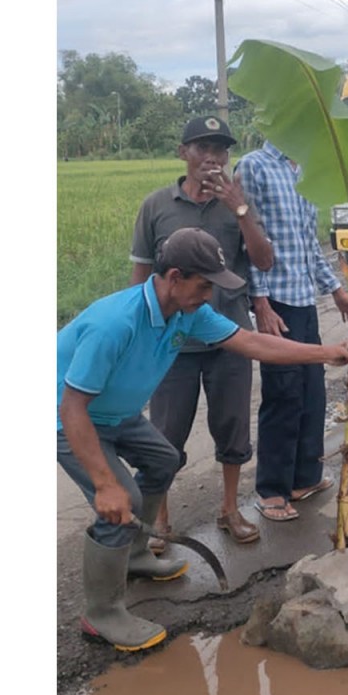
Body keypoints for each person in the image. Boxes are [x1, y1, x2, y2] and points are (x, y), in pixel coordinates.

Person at [58, 228, 348, 651]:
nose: (209, 295)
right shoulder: (115, 323)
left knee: (162, 459)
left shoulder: (187, 313)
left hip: (115, 414)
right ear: (174, 276)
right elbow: (72, 408)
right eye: (204, 285)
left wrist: (325, 353)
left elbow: (251, 342)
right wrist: (105, 485)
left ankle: (137, 555)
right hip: (70, 417)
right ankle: (101, 613)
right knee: (120, 500)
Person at [129, 116, 275, 553]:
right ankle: (161, 517)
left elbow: (264, 261)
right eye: (202, 148)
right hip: (172, 344)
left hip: (228, 337)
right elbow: (139, 278)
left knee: (231, 427)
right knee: (165, 432)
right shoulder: (157, 205)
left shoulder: (239, 205)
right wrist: (138, 336)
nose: (212, 158)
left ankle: (230, 510)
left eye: (220, 150)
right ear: (183, 153)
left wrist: (240, 210)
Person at [236, 139, 348, 523]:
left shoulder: (301, 167)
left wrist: (335, 288)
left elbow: (308, 243)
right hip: (277, 300)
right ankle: (272, 490)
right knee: (283, 396)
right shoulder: (254, 166)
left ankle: (304, 477)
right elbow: (248, 239)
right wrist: (260, 301)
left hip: (304, 297)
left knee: (312, 391)